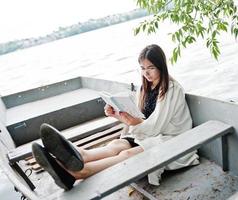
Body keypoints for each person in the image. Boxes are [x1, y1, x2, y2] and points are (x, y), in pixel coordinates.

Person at [32, 44, 199, 190]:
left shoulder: (172, 89)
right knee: (116, 145)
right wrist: (118, 115)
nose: (146, 73)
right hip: (148, 132)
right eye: (142, 68)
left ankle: (79, 172)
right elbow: (138, 118)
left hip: (171, 138)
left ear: (161, 66)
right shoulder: (144, 89)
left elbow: (156, 126)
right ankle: (76, 157)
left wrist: (133, 121)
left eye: (151, 68)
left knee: (126, 155)